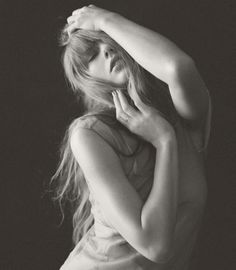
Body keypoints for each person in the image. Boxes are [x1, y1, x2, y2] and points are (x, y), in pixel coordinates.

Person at [52, 4, 211, 270]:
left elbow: (178, 68)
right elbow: (155, 245)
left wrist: (105, 19)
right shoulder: (90, 134)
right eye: (92, 54)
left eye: (109, 40)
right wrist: (164, 141)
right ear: (86, 77)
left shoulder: (184, 117)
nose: (106, 50)